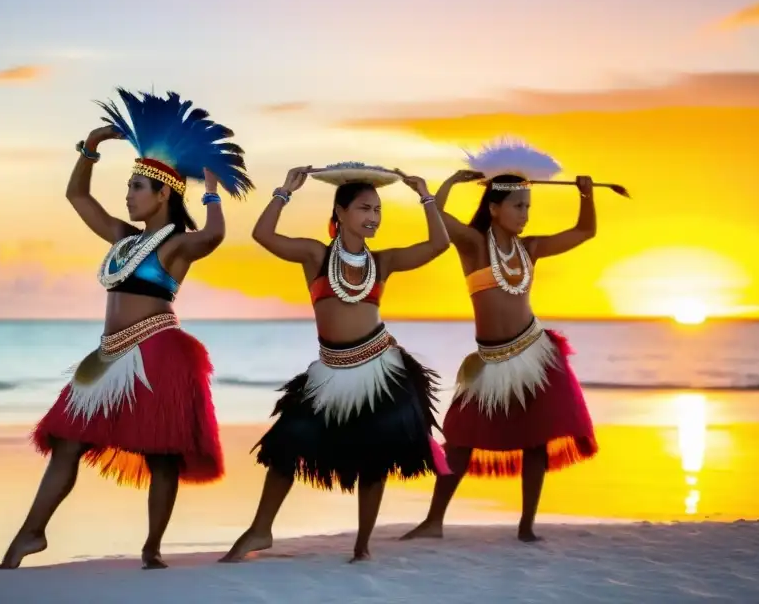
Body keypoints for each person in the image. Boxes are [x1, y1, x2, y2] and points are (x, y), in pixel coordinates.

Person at [0, 88, 253, 570]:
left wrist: (214, 193)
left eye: (137, 186)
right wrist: (89, 148)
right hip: (108, 354)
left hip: (159, 351)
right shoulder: (122, 237)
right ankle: (31, 534)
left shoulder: (176, 243)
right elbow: (77, 195)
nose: (129, 194)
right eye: (129, 186)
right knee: (67, 441)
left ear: (163, 194)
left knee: (161, 454)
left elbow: (215, 235)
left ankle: (152, 547)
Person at [221, 162, 452, 563]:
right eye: (364, 208)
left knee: (375, 459)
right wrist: (284, 191)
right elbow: (263, 236)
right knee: (285, 448)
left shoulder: (383, 261)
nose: (373, 218)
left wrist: (426, 196)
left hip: (381, 370)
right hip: (330, 373)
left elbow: (438, 246)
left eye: (378, 210)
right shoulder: (315, 255)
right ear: (340, 213)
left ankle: (363, 544)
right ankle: (260, 530)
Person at [402, 138, 598, 543]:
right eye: (517, 206)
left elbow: (585, 231)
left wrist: (586, 194)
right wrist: (453, 181)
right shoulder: (473, 245)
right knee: (459, 439)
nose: (525, 215)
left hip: (537, 354)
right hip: (491, 361)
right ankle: (433, 521)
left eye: (528, 207)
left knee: (537, 441)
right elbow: (436, 214)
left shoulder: (531, 248)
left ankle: (526, 526)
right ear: (494, 207)